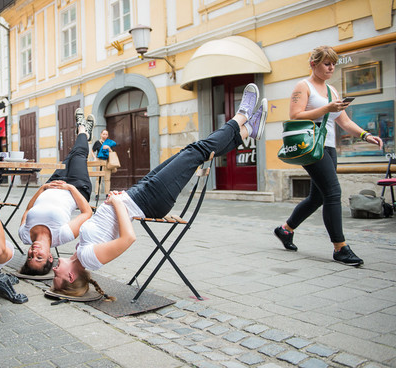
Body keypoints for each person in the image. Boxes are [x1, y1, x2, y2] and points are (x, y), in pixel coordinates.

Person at [51, 83, 268, 299]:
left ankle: (249, 130)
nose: (53, 271)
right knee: (197, 151)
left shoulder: (81, 253)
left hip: (138, 195)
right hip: (150, 200)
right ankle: (242, 116)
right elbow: (128, 238)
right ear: (70, 277)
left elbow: (105, 225)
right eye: (56, 277)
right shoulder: (89, 259)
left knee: (192, 150)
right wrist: (117, 204)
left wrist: (114, 200)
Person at [274, 46, 383, 266]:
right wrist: (326, 109)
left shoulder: (332, 91)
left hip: (329, 147)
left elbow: (343, 121)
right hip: (311, 146)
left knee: (318, 197)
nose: (331, 67)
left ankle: (286, 230)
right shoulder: (303, 86)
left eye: (333, 63)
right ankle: (340, 248)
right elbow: (295, 115)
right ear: (313, 64)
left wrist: (365, 134)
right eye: (326, 63)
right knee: (333, 192)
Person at [18, 109, 95, 276]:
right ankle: (82, 129)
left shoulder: (24, 235)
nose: (33, 253)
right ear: (50, 258)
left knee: (71, 155)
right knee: (79, 154)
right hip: (77, 187)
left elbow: (27, 210)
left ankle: (85, 133)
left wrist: (42, 188)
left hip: (51, 185)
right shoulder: (62, 235)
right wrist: (70, 188)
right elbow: (87, 212)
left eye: (30, 257)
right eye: (39, 258)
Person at [91, 129, 116, 197]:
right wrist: (94, 158)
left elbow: (112, 153)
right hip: (99, 161)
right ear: (101, 134)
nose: (105, 135)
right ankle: (97, 194)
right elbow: (92, 151)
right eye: (104, 134)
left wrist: (109, 149)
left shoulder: (109, 142)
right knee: (98, 178)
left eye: (106, 134)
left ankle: (107, 194)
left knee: (107, 179)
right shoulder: (97, 142)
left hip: (107, 161)